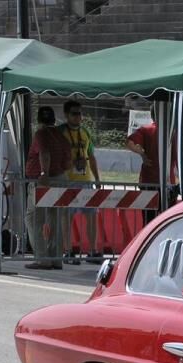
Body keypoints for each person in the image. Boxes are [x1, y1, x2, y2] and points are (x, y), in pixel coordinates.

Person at [24, 106, 71, 271]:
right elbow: (68, 160)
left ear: (38, 120)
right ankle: (56, 258)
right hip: (60, 178)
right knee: (55, 218)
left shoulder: (41, 134)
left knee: (34, 218)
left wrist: (44, 173)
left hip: (44, 180)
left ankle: (42, 258)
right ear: (53, 119)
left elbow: (44, 153)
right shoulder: (61, 136)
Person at [60, 100, 102, 265]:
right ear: (66, 115)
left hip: (85, 181)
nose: (78, 117)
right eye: (74, 113)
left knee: (91, 216)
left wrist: (97, 178)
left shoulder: (85, 132)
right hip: (67, 181)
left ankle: (92, 251)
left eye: (80, 113)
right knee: (67, 216)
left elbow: (91, 156)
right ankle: (68, 251)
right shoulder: (61, 132)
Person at [125, 109, 175, 221]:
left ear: (152, 116)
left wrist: (142, 153)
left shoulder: (145, 130)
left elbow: (129, 142)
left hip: (148, 183)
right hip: (168, 182)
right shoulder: (173, 132)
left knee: (148, 220)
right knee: (167, 220)